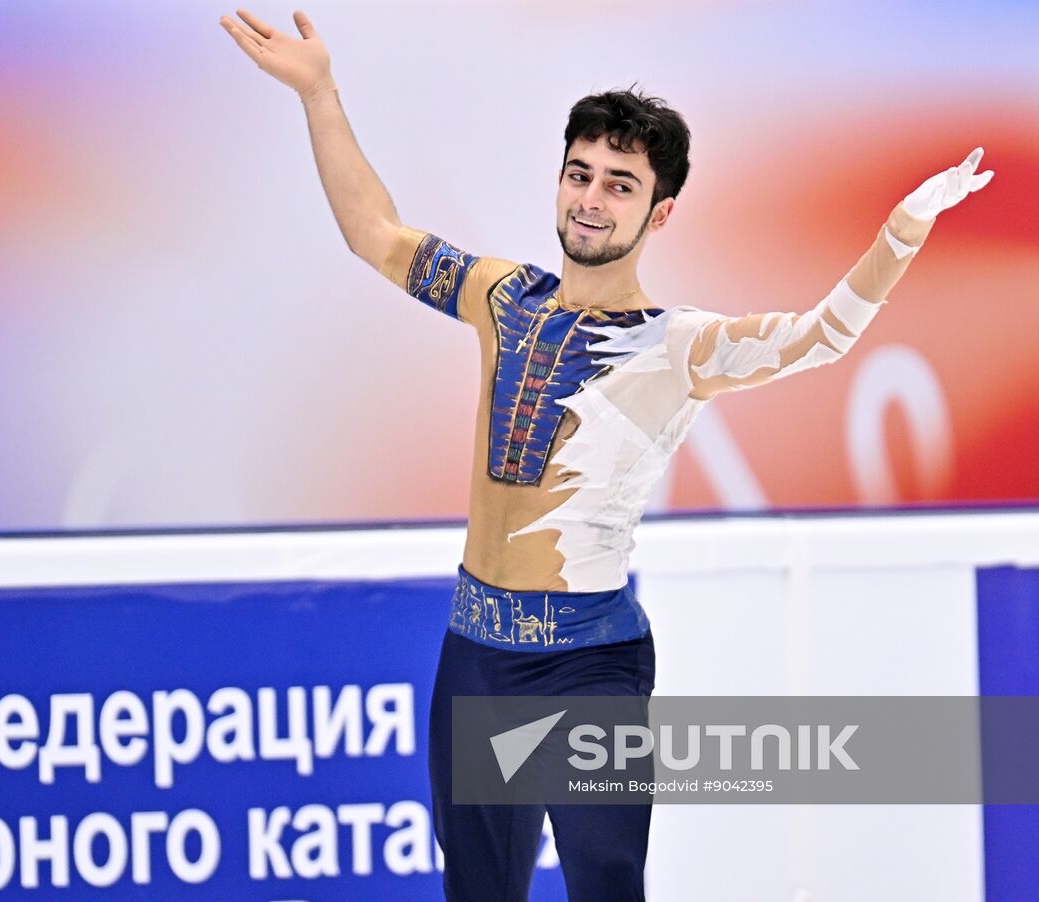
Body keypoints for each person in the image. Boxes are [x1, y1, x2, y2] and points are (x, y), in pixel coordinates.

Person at [220, 9, 993, 900]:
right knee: (478, 889)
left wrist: (901, 231)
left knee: (606, 887)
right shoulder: (501, 296)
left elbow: (821, 337)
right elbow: (375, 234)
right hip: (475, 655)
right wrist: (319, 91)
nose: (591, 198)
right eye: (580, 174)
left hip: (589, 666)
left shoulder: (677, 345)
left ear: (660, 212)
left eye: (619, 185)